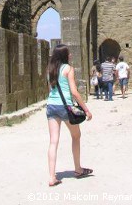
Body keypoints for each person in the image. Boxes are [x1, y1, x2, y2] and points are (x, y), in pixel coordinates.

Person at [46, 44, 93, 187]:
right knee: (76, 136)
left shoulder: (49, 69)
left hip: (51, 106)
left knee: (53, 141)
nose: (71, 55)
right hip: (65, 107)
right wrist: (86, 110)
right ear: (64, 56)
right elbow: (74, 92)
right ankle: (78, 169)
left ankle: (52, 177)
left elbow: (50, 89)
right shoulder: (68, 69)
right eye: (69, 53)